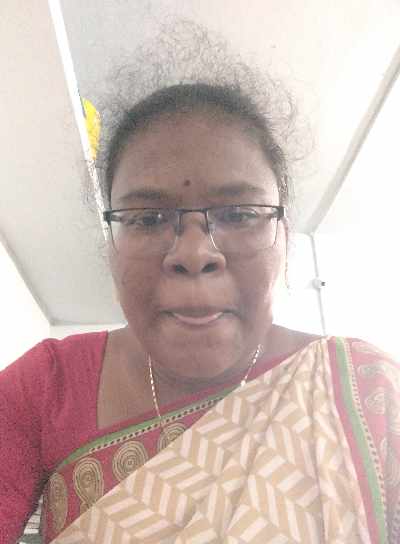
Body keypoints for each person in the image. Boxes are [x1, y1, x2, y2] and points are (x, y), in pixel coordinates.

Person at [1, 38, 400, 544]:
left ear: (283, 234)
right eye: (147, 218)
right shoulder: (46, 386)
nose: (193, 253)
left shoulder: (365, 391)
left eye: (239, 214)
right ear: (112, 244)